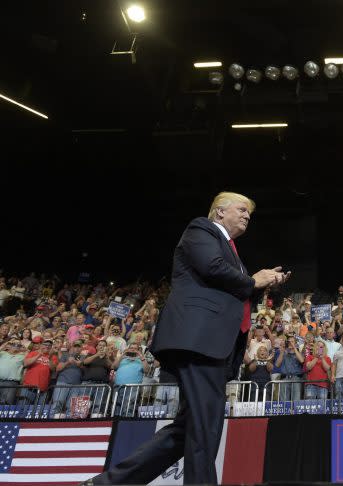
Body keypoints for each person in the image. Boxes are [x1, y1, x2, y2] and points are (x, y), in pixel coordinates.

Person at [90, 192, 288, 485]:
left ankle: (109, 483)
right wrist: (252, 280)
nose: (248, 216)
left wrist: (260, 281)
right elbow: (213, 269)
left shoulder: (232, 252)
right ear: (220, 212)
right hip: (200, 341)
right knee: (205, 427)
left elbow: (235, 287)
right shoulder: (202, 229)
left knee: (189, 427)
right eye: (242, 210)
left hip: (215, 347)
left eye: (250, 213)